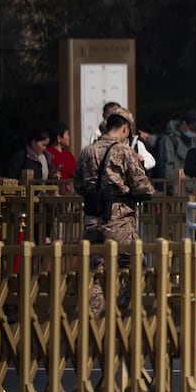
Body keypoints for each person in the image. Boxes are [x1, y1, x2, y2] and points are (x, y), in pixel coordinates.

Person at [73, 106, 155, 316]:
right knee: (136, 263)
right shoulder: (124, 151)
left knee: (99, 270)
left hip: (93, 219)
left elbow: (78, 185)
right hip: (119, 222)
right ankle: (125, 312)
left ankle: (93, 321)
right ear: (125, 130)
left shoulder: (86, 151)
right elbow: (143, 187)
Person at [154, 109, 196, 182]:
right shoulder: (168, 140)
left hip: (193, 189)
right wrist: (174, 188)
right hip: (175, 190)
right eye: (192, 129)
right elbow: (167, 168)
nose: (195, 132)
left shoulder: (194, 142)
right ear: (184, 124)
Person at [46, 122, 77, 189]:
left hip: (69, 193)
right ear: (59, 138)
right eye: (67, 134)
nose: (69, 137)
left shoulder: (68, 154)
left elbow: (76, 173)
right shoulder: (48, 154)